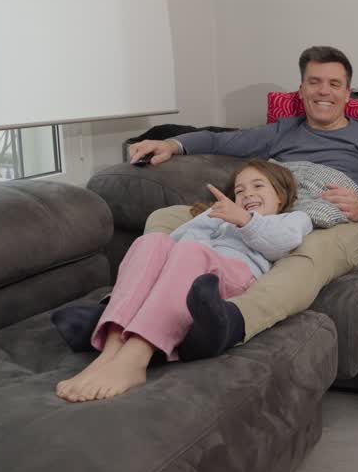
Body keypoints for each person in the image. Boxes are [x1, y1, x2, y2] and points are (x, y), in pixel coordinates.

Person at [124, 45, 358, 356]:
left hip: (342, 220)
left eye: (334, 84)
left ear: (347, 93)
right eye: (314, 82)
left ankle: (232, 321)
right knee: (167, 218)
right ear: (301, 90)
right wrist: (172, 144)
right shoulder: (284, 130)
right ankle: (128, 304)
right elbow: (222, 140)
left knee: (307, 251)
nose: (323, 91)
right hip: (278, 209)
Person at [55, 160, 311, 402]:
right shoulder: (220, 217)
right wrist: (211, 216)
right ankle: (111, 350)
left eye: (258, 186)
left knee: (190, 251)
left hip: (233, 274)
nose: (247, 194)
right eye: (239, 190)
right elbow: (178, 241)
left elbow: (280, 243)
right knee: (153, 241)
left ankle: (135, 357)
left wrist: (243, 220)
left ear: (280, 194)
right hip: (191, 266)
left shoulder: (292, 219)